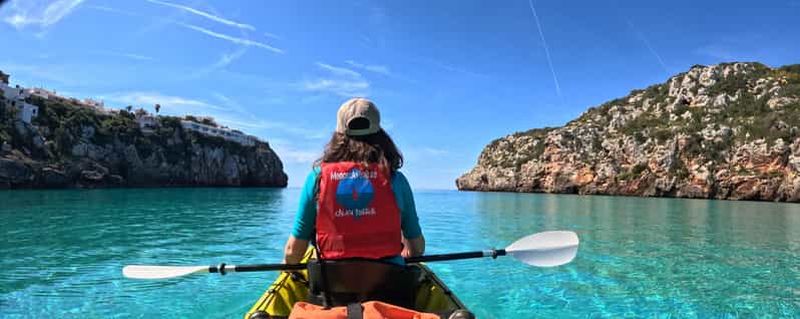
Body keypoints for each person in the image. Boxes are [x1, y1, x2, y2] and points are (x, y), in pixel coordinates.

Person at [283, 97, 425, 265]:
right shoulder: (397, 180)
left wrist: (288, 270)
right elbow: (416, 248)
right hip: (389, 285)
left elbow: (293, 252)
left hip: (330, 287)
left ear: (338, 136)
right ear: (380, 136)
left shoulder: (316, 178)